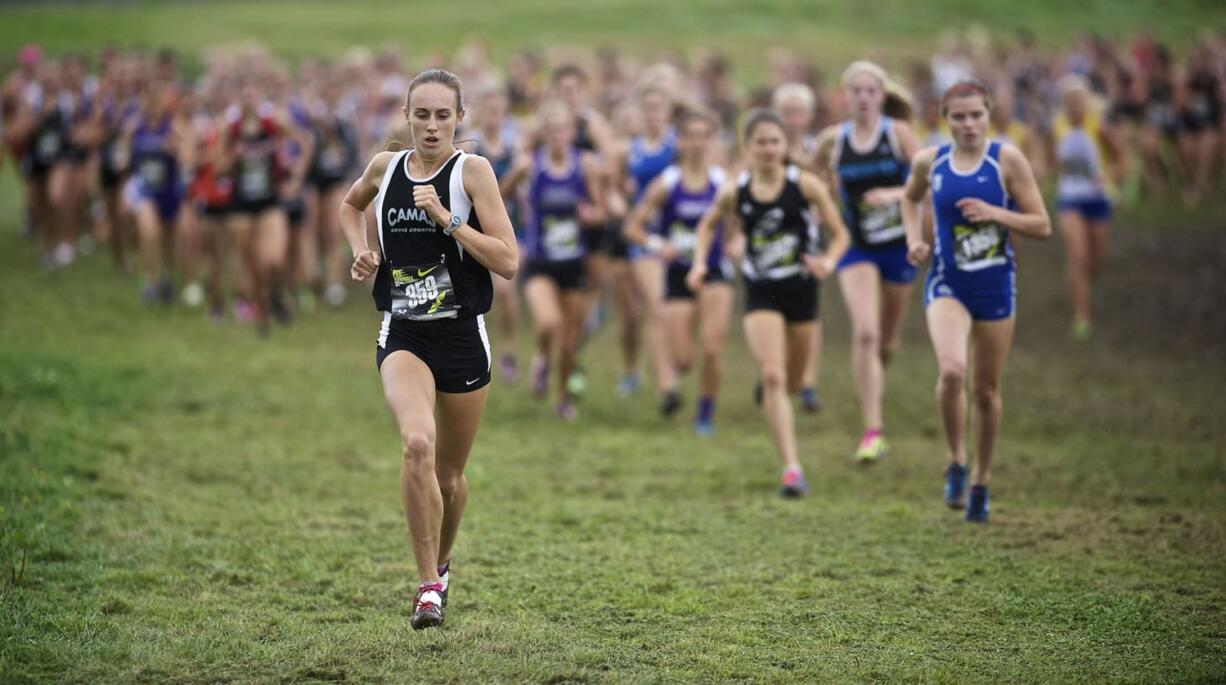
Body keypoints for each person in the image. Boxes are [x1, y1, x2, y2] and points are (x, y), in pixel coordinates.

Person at [340, 69, 517, 629]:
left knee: (448, 478)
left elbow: (508, 261)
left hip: (463, 337)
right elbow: (350, 206)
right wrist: (362, 250)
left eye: (443, 115)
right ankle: (427, 589)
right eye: (422, 114)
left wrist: (450, 222)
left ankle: (442, 564)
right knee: (416, 443)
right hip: (405, 334)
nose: (433, 125)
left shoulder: (473, 173)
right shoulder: (384, 168)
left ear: (460, 118)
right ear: (407, 117)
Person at [900, 79, 1051, 523]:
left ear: (989, 115)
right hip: (947, 283)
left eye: (976, 115)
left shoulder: (1006, 161)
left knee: (985, 391)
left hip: (996, 286)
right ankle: (956, 461)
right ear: (944, 119)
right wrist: (913, 239)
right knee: (951, 371)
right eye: (959, 116)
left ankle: (982, 481)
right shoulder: (931, 161)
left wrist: (996, 214)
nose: (969, 124)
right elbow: (909, 200)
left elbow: (1041, 224)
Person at [688, 109, 850, 497]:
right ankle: (792, 469)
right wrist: (698, 263)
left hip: (802, 289)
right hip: (761, 291)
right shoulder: (736, 190)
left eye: (775, 141)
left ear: (784, 146)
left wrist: (828, 261)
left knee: (792, 381)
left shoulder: (806, 186)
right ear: (748, 147)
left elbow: (841, 233)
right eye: (760, 142)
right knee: (775, 375)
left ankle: (774, 389)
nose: (768, 149)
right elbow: (707, 224)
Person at [814, 61, 919, 463]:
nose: (862, 97)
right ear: (845, 97)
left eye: (870, 90)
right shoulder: (833, 140)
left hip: (898, 246)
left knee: (887, 343)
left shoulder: (898, 135)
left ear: (881, 95)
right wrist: (825, 197)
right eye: (855, 90)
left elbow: (929, 177)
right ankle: (872, 430)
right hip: (856, 246)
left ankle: (876, 380)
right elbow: (809, 177)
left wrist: (893, 197)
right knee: (867, 336)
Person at [624, 109, 732, 435]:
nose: (698, 143)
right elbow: (633, 227)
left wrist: (737, 243)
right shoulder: (667, 183)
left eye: (704, 136)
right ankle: (678, 386)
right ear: (680, 141)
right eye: (691, 136)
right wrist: (659, 244)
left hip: (714, 271)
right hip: (677, 274)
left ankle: (705, 413)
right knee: (682, 359)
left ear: (711, 142)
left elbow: (741, 224)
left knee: (712, 347)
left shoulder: (722, 183)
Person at [500, 101, 605, 419]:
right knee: (548, 323)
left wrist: (591, 215)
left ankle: (563, 399)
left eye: (564, 130)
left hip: (574, 263)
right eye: (552, 131)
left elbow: (600, 211)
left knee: (571, 341)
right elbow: (497, 196)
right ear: (544, 134)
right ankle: (542, 360)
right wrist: (516, 220)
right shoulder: (529, 165)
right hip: (540, 262)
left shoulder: (585, 165)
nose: (559, 137)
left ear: (572, 133)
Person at [1051, 75, 1123, 340]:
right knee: (1077, 255)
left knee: (1095, 259)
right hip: (1069, 198)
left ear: (1088, 102)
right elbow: (1051, 159)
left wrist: (1110, 176)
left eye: (1079, 101)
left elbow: (1121, 158)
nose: (1075, 106)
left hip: (1098, 198)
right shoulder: (1056, 128)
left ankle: (1083, 285)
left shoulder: (1100, 128)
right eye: (1070, 102)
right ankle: (1081, 315)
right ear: (1063, 104)